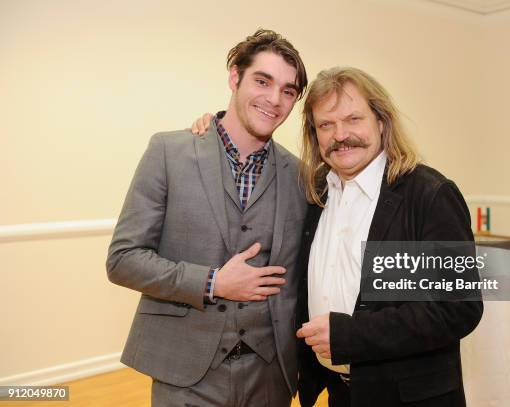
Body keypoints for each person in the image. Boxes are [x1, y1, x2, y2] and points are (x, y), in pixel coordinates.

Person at [106, 29, 308, 407]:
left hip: (271, 378)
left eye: (288, 91)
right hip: (186, 376)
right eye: (262, 81)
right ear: (235, 76)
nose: (274, 99)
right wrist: (213, 282)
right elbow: (123, 260)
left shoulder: (301, 176)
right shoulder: (169, 151)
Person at [294, 67, 483, 407]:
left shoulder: (429, 195)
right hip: (339, 393)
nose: (340, 135)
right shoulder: (316, 194)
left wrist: (350, 336)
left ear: (381, 122)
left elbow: (458, 308)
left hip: (410, 398)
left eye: (353, 119)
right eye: (326, 124)